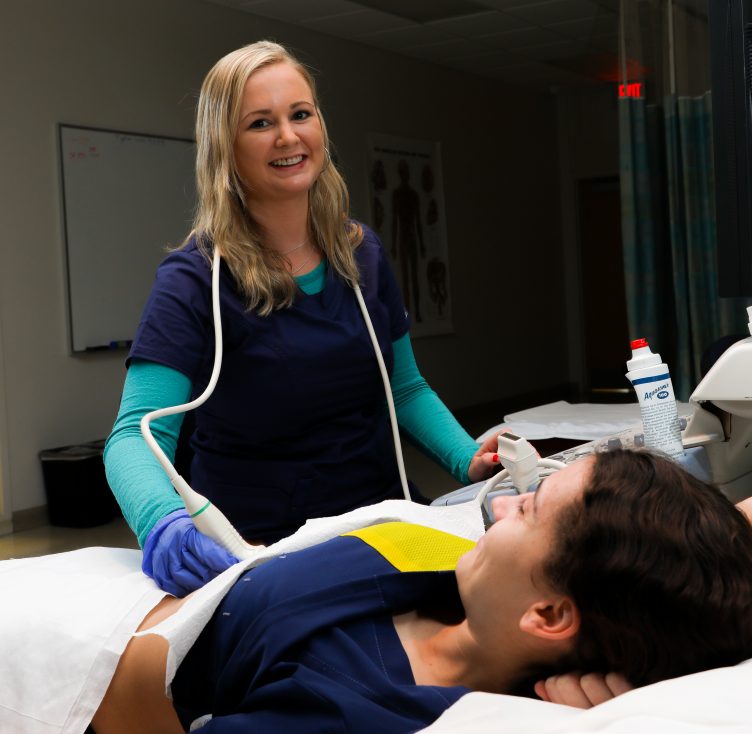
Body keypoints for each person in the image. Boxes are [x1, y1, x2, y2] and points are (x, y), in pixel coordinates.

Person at [103, 40, 499, 597]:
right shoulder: (195, 280)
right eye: (260, 123)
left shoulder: (362, 254)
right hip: (267, 550)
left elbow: (403, 388)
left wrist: (468, 459)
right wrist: (161, 521)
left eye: (300, 114)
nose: (288, 137)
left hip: (383, 522)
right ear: (225, 148)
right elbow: (134, 436)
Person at [90, 450, 752, 733]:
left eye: (533, 507)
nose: (510, 501)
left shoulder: (350, 703)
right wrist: (713, 609)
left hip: (73, 654)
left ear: (549, 614)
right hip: (147, 578)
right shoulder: (474, 583)